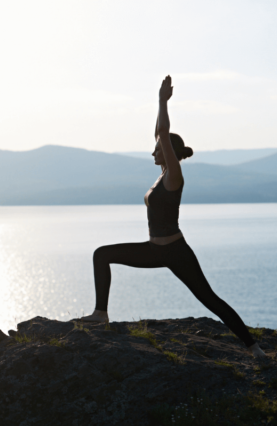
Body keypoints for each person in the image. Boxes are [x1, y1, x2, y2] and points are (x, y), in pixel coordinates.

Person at [79, 75, 266, 359]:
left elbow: (163, 134)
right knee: (101, 254)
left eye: (158, 149)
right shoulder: (161, 176)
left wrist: (162, 101)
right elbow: (159, 134)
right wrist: (158, 110)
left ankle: (254, 347)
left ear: (169, 153)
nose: (153, 150)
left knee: (210, 299)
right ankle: (100, 313)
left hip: (177, 252)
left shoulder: (174, 175)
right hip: (155, 250)